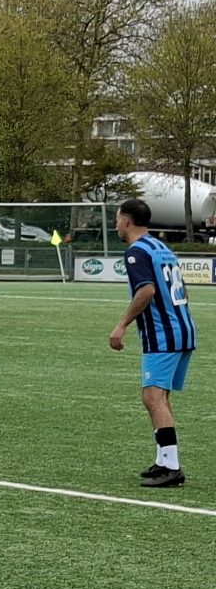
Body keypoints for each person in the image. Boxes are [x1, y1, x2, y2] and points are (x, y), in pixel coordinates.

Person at [109, 198, 196, 488]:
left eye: (118, 218)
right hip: (182, 330)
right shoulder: (161, 247)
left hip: (164, 335)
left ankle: (171, 467)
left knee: (152, 397)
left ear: (127, 221)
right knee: (161, 397)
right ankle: (163, 459)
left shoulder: (136, 252)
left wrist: (121, 325)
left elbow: (146, 290)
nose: (116, 223)